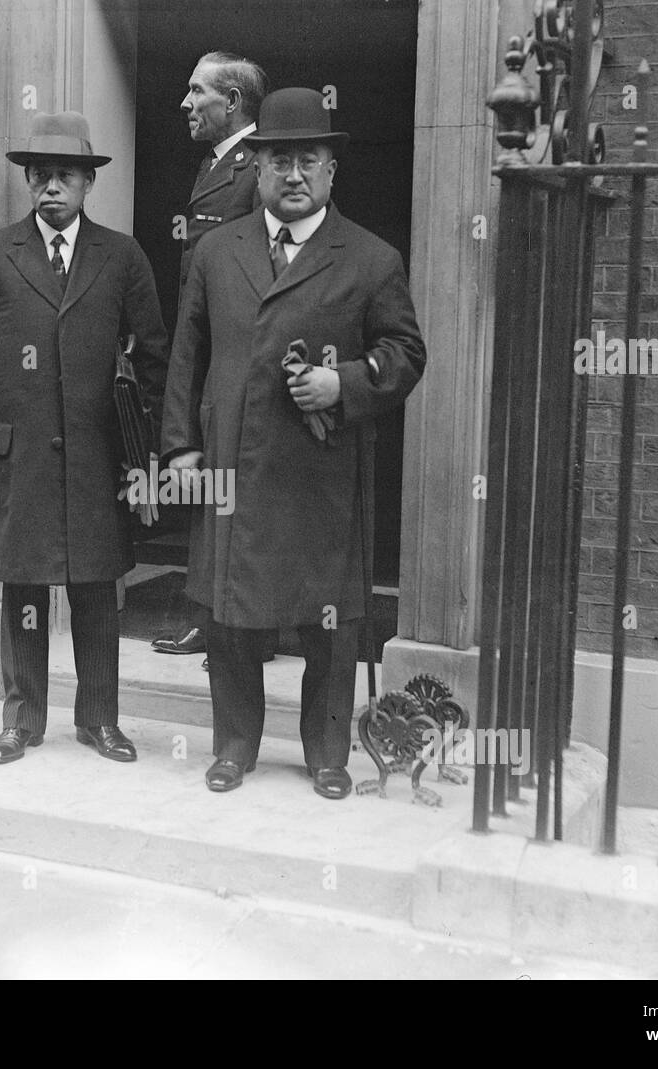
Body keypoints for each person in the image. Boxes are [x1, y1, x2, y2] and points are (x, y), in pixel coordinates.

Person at [160, 88, 427, 799]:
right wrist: (180, 446)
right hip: (231, 465)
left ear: (331, 170)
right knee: (230, 616)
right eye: (279, 159)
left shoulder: (371, 258)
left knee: (329, 625)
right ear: (257, 167)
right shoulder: (217, 249)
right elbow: (187, 352)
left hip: (323, 469)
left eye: (309, 158)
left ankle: (326, 752)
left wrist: (344, 383)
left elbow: (405, 352)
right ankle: (234, 745)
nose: (294, 174)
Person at [0, 112, 169, 766]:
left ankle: (99, 719)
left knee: (99, 587)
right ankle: (22, 719)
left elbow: (153, 354)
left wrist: (147, 453)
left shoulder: (122, 255)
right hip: (17, 455)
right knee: (24, 587)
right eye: (40, 175)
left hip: (101, 456)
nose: (51, 187)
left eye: (64, 176)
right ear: (28, 181)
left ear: (87, 183)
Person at [152, 50, 270, 666]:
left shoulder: (258, 169)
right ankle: (214, 616)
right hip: (208, 346)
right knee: (212, 492)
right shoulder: (218, 165)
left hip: (239, 355)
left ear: (234, 102)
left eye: (197, 92)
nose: (185, 103)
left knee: (237, 497)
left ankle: (241, 624)